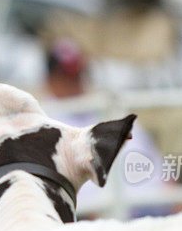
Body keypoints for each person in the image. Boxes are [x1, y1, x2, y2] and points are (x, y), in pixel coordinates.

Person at [43, 38, 170, 217]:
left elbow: (162, 170)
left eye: (78, 76)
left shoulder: (110, 108)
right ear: (51, 80)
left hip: (153, 208)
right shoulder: (44, 125)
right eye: (66, 78)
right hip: (106, 221)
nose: (75, 84)